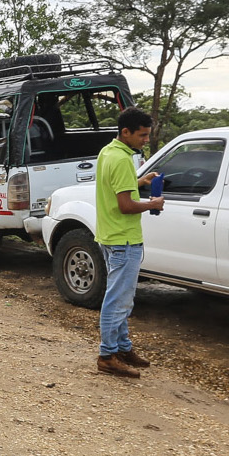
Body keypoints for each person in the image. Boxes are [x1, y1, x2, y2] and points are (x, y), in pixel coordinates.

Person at [94, 107, 161, 378]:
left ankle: (122, 347)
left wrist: (139, 180)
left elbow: (116, 185)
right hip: (124, 239)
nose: (146, 140)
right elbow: (125, 205)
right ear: (126, 132)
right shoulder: (122, 160)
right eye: (142, 135)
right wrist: (152, 203)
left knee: (120, 297)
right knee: (119, 301)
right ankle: (107, 355)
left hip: (110, 236)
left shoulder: (109, 152)